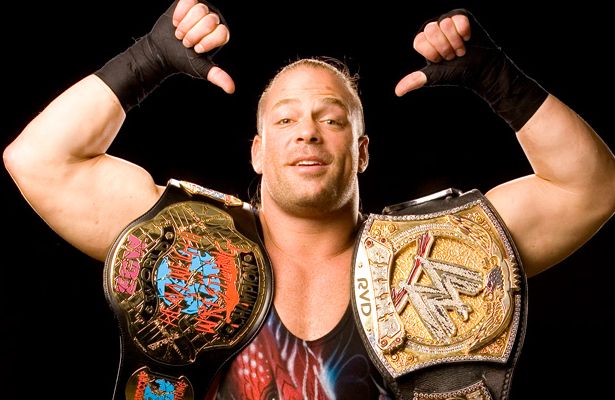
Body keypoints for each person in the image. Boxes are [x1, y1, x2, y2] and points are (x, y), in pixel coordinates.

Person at [4, 0, 614, 399]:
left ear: (363, 151)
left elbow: (592, 187)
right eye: (286, 119)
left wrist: (498, 81)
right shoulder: (183, 252)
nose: (307, 132)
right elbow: (39, 160)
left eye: (332, 119)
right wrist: (146, 61)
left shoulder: (437, 258)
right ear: (257, 152)